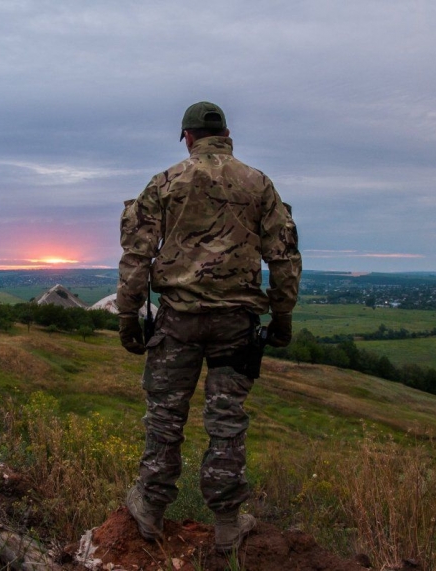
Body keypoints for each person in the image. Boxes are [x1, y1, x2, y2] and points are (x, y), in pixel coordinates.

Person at [117, 101, 301, 553]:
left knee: (164, 417)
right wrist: (282, 315)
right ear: (227, 134)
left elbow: (137, 254)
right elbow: (284, 255)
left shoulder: (166, 182)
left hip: (178, 319)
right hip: (235, 323)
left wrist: (127, 314)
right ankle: (226, 523)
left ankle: (149, 509)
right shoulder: (259, 184)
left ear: (188, 137)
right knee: (226, 421)